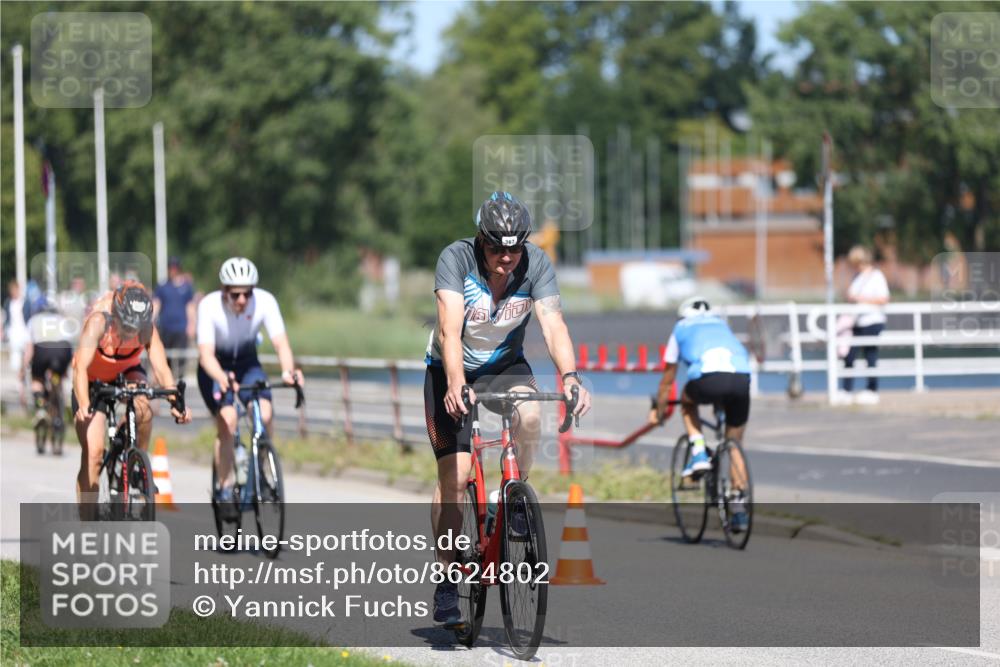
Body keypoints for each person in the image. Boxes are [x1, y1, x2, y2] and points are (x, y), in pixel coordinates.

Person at [424, 191, 592, 626]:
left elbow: (554, 324)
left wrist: (571, 377)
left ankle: (509, 497)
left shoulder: (535, 263)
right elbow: (449, 330)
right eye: (497, 247)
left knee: (531, 415)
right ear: (481, 241)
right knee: (456, 477)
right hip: (451, 366)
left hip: (505, 366)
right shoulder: (456, 259)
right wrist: (457, 383)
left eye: (515, 247)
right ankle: (446, 577)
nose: (506, 257)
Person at [197, 257, 303, 519]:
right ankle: (224, 486)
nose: (242, 299)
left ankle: (265, 470)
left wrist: (289, 371)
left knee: (265, 413)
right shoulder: (209, 306)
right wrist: (221, 377)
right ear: (224, 291)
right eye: (235, 294)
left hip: (247, 362)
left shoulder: (265, 301)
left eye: (247, 293)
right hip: (215, 365)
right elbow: (205, 355)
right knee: (228, 419)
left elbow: (281, 344)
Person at [71, 281, 191, 513]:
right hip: (92, 381)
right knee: (93, 454)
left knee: (144, 403)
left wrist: (176, 402)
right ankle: (86, 528)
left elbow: (162, 369)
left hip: (126, 370)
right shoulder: (98, 322)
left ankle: (137, 461)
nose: (130, 333)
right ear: (115, 315)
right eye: (126, 327)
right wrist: (84, 403)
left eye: (136, 328)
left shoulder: (146, 328)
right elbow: (80, 369)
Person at [652, 296, 751, 530]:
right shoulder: (721, 324)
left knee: (687, 403)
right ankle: (738, 508)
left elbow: (667, 380)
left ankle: (698, 452)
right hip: (741, 378)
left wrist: (659, 409)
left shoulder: (680, 328)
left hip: (707, 378)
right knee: (734, 442)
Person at [840, 245, 890, 405]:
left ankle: (872, 389)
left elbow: (883, 299)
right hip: (857, 321)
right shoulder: (856, 276)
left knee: (870, 355)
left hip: (872, 321)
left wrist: (860, 298)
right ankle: (846, 390)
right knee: (849, 355)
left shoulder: (876, 276)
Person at [21, 299, 74, 427]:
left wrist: (23, 369)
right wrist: (65, 370)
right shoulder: (61, 319)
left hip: (42, 349)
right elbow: (69, 345)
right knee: (57, 377)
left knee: (37, 381)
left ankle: (41, 410)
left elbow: (29, 349)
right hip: (62, 350)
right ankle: (58, 407)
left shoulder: (34, 320)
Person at [153, 256, 197, 379]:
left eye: (175, 268)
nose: (172, 270)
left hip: (181, 327)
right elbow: (156, 304)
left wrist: (192, 324)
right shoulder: (162, 286)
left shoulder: (186, 287)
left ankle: (178, 380)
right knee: (165, 356)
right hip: (166, 327)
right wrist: (150, 321)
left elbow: (190, 306)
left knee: (181, 357)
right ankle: (167, 380)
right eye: (170, 268)